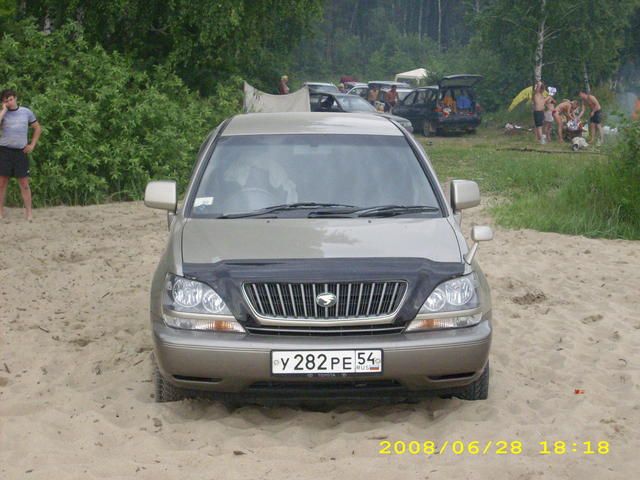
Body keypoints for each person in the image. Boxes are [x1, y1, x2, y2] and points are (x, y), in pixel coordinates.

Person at [0, 89, 41, 221]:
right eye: (6, 101)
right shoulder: (3, 114)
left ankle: (29, 213)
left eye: (11, 99)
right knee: (2, 183)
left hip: (20, 152)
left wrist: (32, 145)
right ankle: (0, 212)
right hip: (5, 151)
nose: (9, 102)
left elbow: (37, 128)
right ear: (3, 102)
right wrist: (4, 110)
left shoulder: (26, 112)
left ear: (15, 98)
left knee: (24, 183)